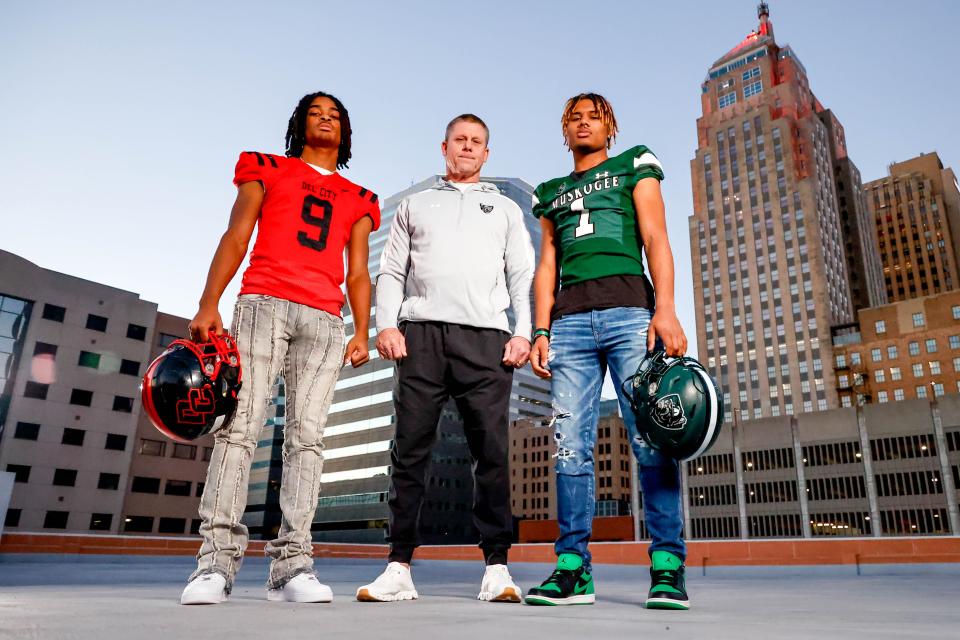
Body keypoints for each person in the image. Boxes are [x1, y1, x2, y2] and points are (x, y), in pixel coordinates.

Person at [180, 91, 379, 605]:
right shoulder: (265, 167)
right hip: (263, 302)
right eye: (315, 112)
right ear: (298, 124)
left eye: (335, 115)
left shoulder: (360, 196)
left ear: (346, 131)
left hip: (325, 318)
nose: (325, 120)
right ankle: (215, 566)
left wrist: (361, 330)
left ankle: (292, 568)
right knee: (239, 429)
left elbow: (358, 270)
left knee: (308, 440)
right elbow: (237, 232)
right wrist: (209, 302)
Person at [356, 114, 534, 603]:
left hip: (487, 341)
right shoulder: (416, 204)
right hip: (422, 337)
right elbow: (392, 271)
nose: (468, 147)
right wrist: (386, 325)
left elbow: (521, 274)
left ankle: (497, 567)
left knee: (491, 455)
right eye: (461, 140)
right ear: (445, 147)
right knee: (410, 451)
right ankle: (398, 567)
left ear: (486, 153)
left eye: (477, 142)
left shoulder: (504, 210)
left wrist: (523, 332)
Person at [523, 93, 691, 609]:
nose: (583, 124)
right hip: (569, 324)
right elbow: (546, 266)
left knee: (650, 440)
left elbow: (656, 236)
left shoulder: (633, 162)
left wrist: (665, 309)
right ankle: (573, 569)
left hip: (628, 314)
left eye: (593, 117)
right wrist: (540, 330)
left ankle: (667, 567)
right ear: (563, 129)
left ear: (610, 126)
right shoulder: (551, 192)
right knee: (570, 447)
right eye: (574, 118)